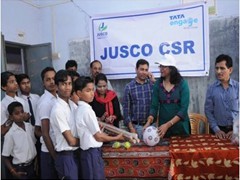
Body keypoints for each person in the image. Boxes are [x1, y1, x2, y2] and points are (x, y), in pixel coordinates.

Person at [74, 76, 124, 179]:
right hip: (91, 153)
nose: (92, 93)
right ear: (79, 93)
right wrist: (117, 138)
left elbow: (90, 132)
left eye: (92, 90)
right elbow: (98, 137)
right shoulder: (87, 110)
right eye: (88, 90)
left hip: (87, 153)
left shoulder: (80, 109)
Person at [147, 54, 191, 138]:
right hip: (163, 129)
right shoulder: (157, 84)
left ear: (172, 68)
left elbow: (183, 109)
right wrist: (148, 122)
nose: (161, 69)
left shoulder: (182, 84)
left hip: (180, 127)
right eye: (160, 66)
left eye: (164, 67)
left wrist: (167, 125)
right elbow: (154, 106)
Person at [50, 70, 79, 179]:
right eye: (63, 84)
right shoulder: (57, 109)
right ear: (56, 87)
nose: (67, 87)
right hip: (66, 157)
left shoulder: (72, 104)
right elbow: (71, 141)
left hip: (75, 154)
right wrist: (88, 140)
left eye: (69, 84)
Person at [204, 54, 239, 140]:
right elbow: (208, 111)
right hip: (217, 132)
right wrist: (216, 130)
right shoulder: (211, 89)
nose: (218, 71)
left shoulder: (238, 87)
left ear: (230, 70)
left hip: (236, 131)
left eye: (222, 68)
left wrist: (236, 130)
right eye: (217, 68)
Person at [2, 101, 36, 179]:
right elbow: (4, 156)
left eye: (22, 112)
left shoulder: (29, 127)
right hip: (20, 168)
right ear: (11, 117)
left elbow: (33, 144)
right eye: (17, 113)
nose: (21, 115)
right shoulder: (10, 134)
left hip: (32, 165)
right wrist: (13, 171)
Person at [123, 59, 156, 139]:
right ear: (136, 69)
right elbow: (126, 110)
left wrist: (154, 81)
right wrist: (131, 128)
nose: (144, 72)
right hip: (137, 127)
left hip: (153, 125)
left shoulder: (152, 85)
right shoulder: (129, 87)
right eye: (141, 69)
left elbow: (160, 102)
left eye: (146, 70)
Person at [16, 73, 41, 177]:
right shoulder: (18, 101)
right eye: (23, 83)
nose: (26, 85)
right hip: (28, 135)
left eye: (28, 82)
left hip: (39, 132)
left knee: (40, 160)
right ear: (19, 85)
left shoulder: (37, 97)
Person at [35, 67, 58, 179]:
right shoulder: (45, 102)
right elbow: (40, 131)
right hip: (50, 152)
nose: (52, 82)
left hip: (56, 148)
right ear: (43, 83)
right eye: (48, 79)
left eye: (53, 78)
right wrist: (55, 156)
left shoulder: (58, 98)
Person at [1, 71, 30, 136]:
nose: (16, 83)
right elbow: (2, 130)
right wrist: (12, 119)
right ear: (4, 87)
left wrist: (26, 116)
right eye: (12, 82)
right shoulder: (2, 105)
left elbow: (28, 116)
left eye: (15, 81)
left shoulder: (22, 100)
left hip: (26, 135)